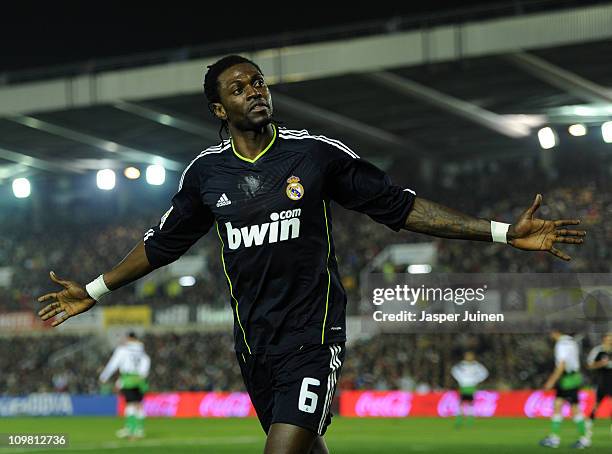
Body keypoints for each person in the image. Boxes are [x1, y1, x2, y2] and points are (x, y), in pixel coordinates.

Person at [37, 55, 586, 454]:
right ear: (218, 108)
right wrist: (92, 291)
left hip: (313, 336)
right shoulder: (207, 174)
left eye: (258, 82)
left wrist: (500, 233)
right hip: (254, 344)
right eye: (238, 87)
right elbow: (161, 245)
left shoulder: (314, 155)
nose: (254, 91)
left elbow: (400, 207)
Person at [540, 330, 590, 449]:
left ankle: (584, 439)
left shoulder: (561, 344)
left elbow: (562, 364)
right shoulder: (572, 341)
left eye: (551, 333)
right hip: (573, 376)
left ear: (555, 332)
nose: (550, 335)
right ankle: (554, 438)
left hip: (567, 379)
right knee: (558, 405)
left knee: (574, 408)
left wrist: (551, 381)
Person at [99, 331, 151, 439]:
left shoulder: (122, 350)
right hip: (140, 380)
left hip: (128, 380)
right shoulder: (142, 351)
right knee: (138, 404)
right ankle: (139, 429)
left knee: (130, 404)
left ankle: (131, 429)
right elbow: (146, 362)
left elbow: (113, 364)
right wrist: (142, 376)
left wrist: (104, 376)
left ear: (129, 338)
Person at [451, 351, 488, 428]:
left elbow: (485, 373)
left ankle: (469, 422)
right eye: (467, 356)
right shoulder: (461, 365)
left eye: (470, 356)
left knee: (470, 404)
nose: (468, 357)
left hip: (471, 386)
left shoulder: (476, 365)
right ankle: (459, 422)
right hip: (463, 386)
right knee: (461, 405)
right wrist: (460, 379)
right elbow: (453, 370)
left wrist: (476, 379)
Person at [586, 333, 612, 434]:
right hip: (602, 381)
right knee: (597, 404)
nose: (610, 341)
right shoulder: (598, 350)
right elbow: (589, 365)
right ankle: (589, 424)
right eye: (608, 339)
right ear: (604, 340)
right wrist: (600, 364)